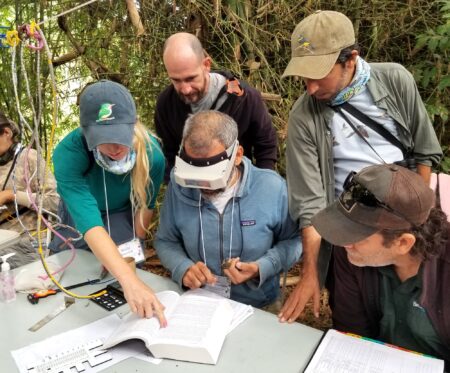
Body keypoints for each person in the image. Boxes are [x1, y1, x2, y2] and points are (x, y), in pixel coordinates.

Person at [278, 10, 442, 322]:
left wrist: (417, 223)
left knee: (423, 313)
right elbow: (311, 202)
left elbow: (424, 154)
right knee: (355, 316)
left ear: (350, 59)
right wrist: (312, 272)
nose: (310, 88)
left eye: (318, 74)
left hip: (405, 220)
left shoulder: (395, 81)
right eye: (304, 77)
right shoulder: (303, 117)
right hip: (349, 226)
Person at [154, 110, 301, 309]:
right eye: (195, 176)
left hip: (259, 304)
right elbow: (165, 240)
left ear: (237, 155)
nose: (203, 185)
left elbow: (294, 241)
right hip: (197, 300)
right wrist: (183, 267)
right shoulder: (179, 186)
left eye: (212, 175)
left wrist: (262, 267)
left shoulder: (271, 187)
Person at [49, 80, 166, 324]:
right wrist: (127, 277)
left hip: (121, 214)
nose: (114, 148)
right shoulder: (68, 154)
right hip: (79, 217)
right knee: (75, 276)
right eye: (103, 138)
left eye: (120, 136)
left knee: (126, 284)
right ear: (85, 131)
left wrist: (136, 247)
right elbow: (88, 221)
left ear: (133, 124)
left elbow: (146, 205)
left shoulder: (153, 155)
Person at [311, 164, 450, 367]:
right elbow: (352, 335)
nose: (344, 242)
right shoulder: (351, 253)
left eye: (356, 235)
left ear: (402, 243)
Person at [155, 32, 278, 182]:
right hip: (192, 190)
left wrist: (261, 185)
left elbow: (266, 146)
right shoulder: (166, 105)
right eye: (176, 81)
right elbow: (169, 154)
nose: (185, 89)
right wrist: (178, 190)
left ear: (206, 65)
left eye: (191, 78)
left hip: (239, 188)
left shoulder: (244, 98)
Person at [0, 111, 59, 268]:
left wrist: (11, 195)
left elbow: (54, 203)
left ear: (6, 132)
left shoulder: (29, 158)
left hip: (28, 242)